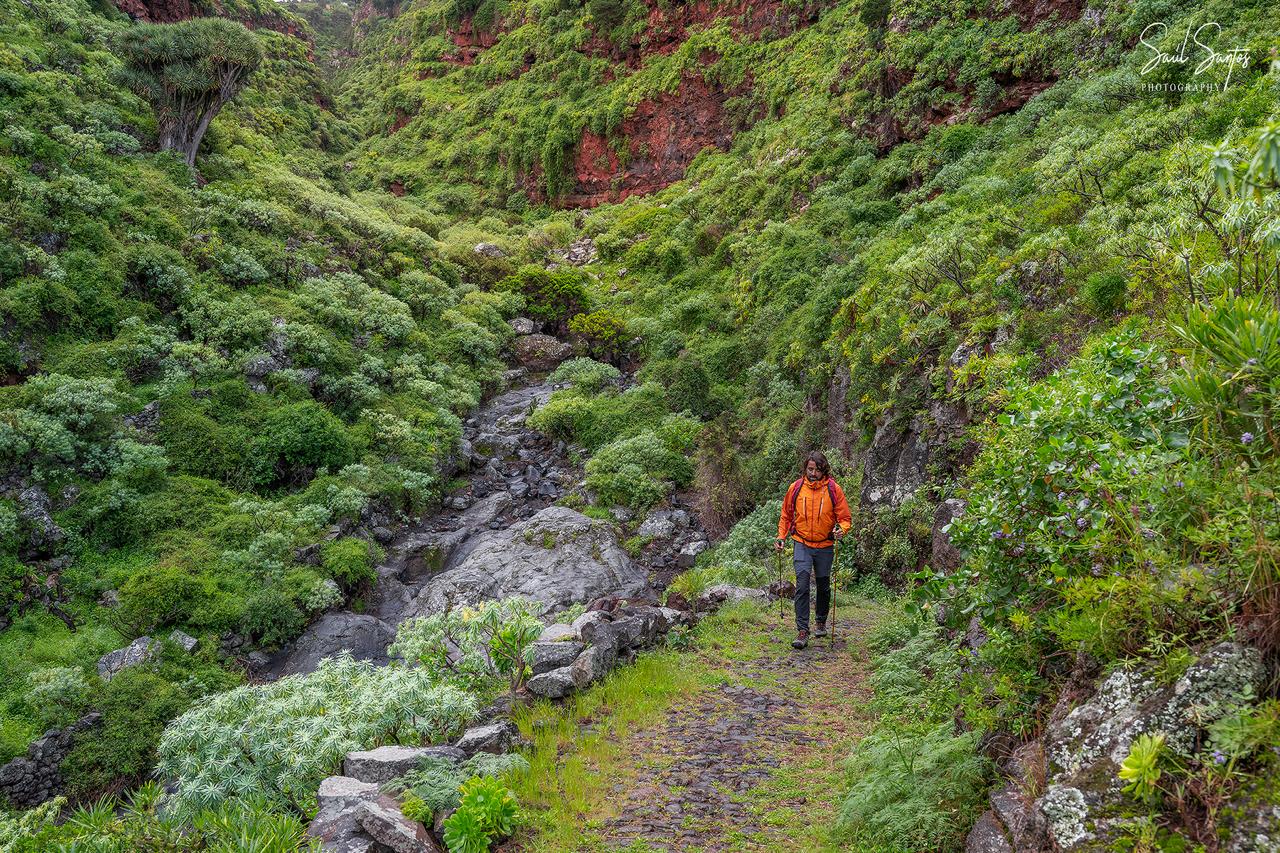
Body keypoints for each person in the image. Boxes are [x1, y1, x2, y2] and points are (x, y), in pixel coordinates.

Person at [775, 451, 853, 649]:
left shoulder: (834, 490)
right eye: (810, 469)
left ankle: (820, 621)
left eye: (817, 470)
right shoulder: (796, 488)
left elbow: (845, 518)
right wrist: (781, 537)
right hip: (801, 542)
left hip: (825, 545)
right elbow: (786, 515)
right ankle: (802, 631)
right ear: (805, 468)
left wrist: (841, 530)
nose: (813, 473)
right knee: (801, 585)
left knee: (823, 586)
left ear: (823, 469)